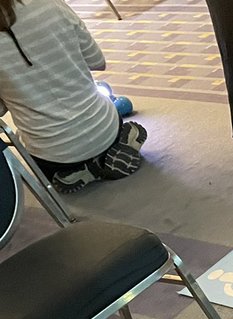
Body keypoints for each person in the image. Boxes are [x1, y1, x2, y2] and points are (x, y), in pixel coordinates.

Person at [0, 0, 147, 193]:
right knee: (105, 101)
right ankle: (116, 148)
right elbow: (97, 60)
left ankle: (85, 171)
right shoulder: (51, 5)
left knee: (30, 136)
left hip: (50, 156)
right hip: (105, 128)